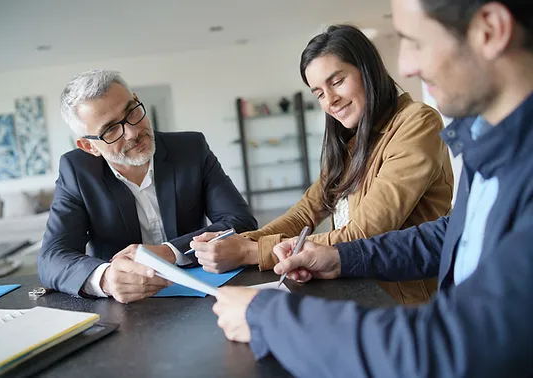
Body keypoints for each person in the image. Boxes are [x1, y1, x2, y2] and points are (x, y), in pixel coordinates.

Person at [212, 0, 533, 376]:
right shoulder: (485, 139)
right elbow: (450, 234)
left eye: (415, 42)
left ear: (490, 30)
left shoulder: (422, 124)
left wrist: (265, 309)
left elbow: (449, 345)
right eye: (318, 91)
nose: (407, 66)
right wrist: (336, 256)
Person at [191, 24, 454, 304]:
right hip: (357, 293)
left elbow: (363, 235)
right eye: (318, 92)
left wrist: (249, 252)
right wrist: (237, 242)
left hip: (410, 305)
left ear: (368, 71)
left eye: (337, 81)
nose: (330, 100)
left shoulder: (417, 122)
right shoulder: (351, 141)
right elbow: (303, 215)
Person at [38, 69, 257, 303]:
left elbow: (240, 221)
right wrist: (106, 279)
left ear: (137, 100)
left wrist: (169, 252)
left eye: (132, 111)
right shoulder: (77, 171)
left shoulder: (191, 149)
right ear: (89, 146)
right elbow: (52, 257)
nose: (133, 132)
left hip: (203, 292)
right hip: (126, 308)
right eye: (111, 129)